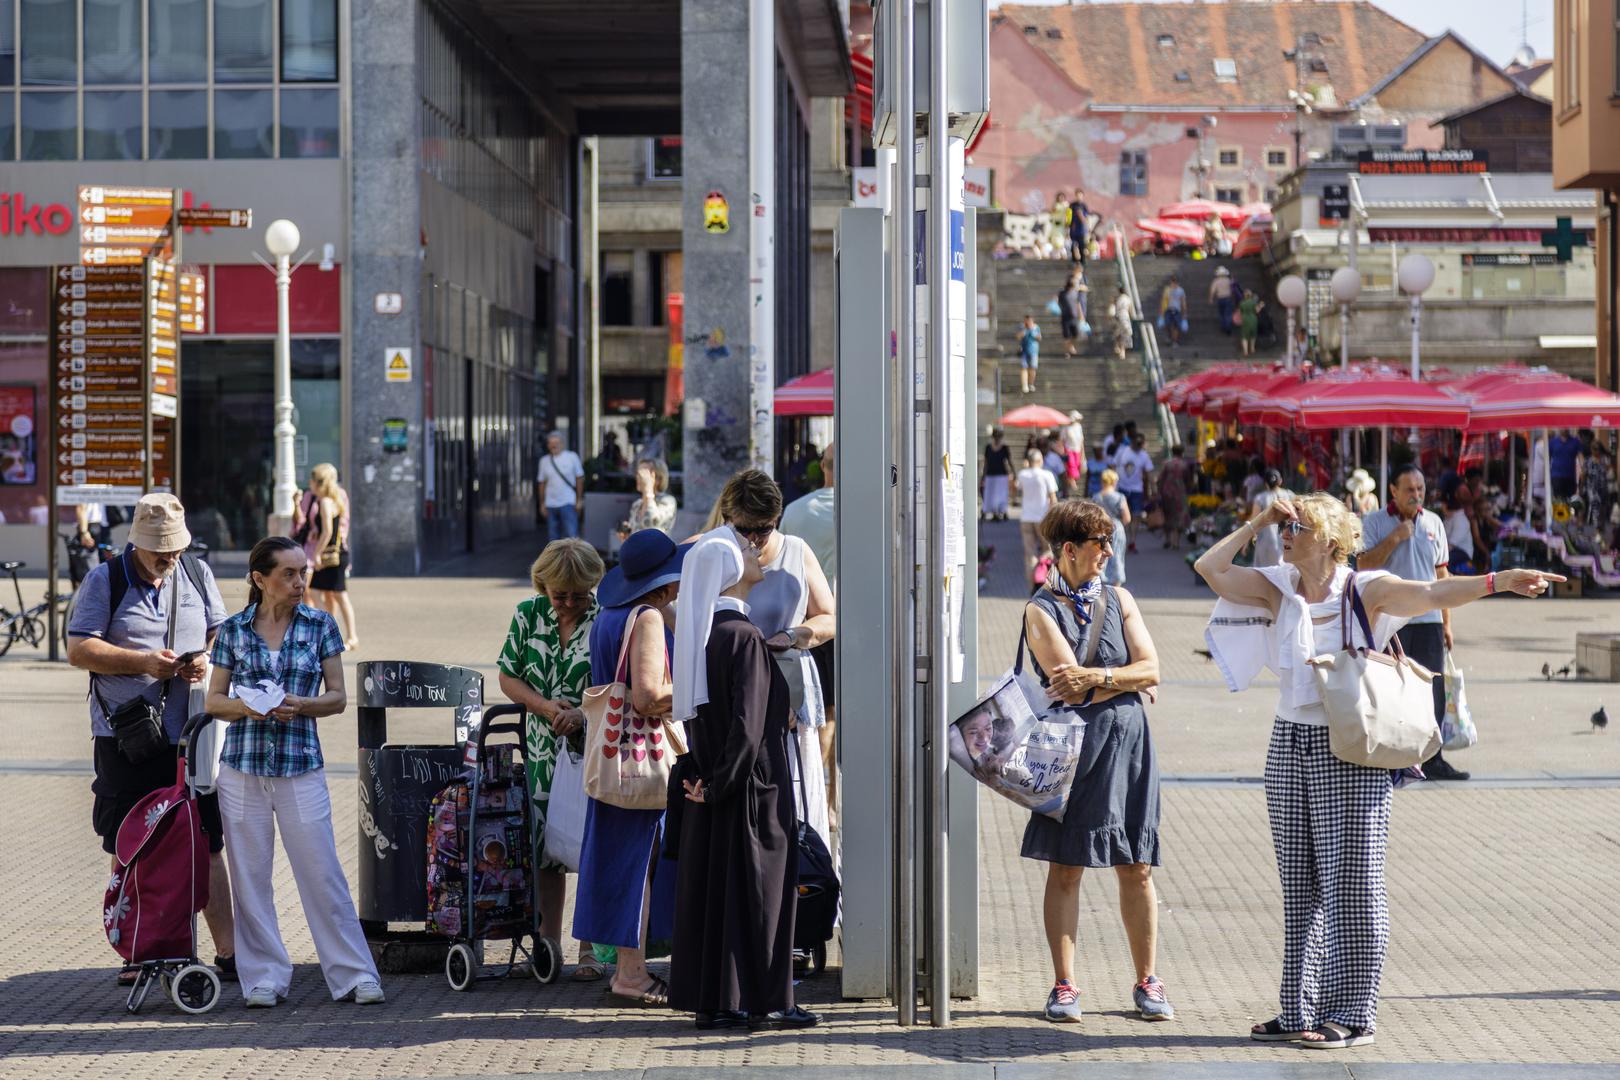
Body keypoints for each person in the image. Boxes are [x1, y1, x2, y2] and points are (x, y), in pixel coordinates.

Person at [1196, 493, 1558, 1049]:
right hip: (1288, 744)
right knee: (1301, 886)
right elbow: (1210, 568)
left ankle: (1352, 1015)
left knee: (1354, 885)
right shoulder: (1278, 585)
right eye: (1286, 525)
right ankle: (1298, 1008)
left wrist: (1499, 579)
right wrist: (1260, 521)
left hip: (1351, 747)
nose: (1288, 534)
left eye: (1300, 527)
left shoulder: (1364, 589)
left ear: (1332, 540)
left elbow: (1436, 592)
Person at [205, 536, 384, 1007]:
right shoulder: (233, 630)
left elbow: (339, 697)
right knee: (250, 877)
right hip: (241, 770)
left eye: (303, 572)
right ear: (259, 579)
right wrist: (247, 707)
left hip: (301, 766)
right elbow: (213, 702)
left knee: (321, 871)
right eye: (289, 573)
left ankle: (354, 974)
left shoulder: (320, 625)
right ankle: (263, 977)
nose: (300, 581)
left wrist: (301, 704)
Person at [67, 493, 236, 986]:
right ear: (135, 541)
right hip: (128, 736)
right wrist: (143, 662)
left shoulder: (197, 574)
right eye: (160, 549)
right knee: (133, 843)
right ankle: (140, 948)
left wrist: (205, 658)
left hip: (192, 735)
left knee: (208, 840)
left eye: (175, 548)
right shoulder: (105, 579)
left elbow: (220, 633)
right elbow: (79, 649)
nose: (169, 557)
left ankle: (228, 953)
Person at [1023, 500, 1170, 1024]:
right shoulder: (1040, 610)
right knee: (1067, 867)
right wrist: (1124, 681)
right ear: (1068, 551)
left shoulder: (1120, 597)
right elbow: (1067, 684)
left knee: (1138, 864)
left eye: (1110, 542)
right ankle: (1064, 985)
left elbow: (1151, 668)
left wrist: (1104, 679)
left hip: (1129, 747)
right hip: (1074, 749)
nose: (1109, 552)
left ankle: (1147, 980)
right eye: (1099, 544)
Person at [669, 526, 818, 1031]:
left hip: (716, 781)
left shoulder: (702, 636)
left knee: (722, 894)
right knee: (763, 894)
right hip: (754, 787)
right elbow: (749, 725)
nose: (756, 553)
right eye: (744, 552)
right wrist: (722, 782)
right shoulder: (745, 637)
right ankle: (770, 1001)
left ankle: (718, 1000)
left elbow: (700, 715)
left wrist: (704, 780)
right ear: (730, 574)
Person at [575, 529, 690, 1007]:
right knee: (636, 864)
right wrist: (695, 694)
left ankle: (629, 968)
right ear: (662, 585)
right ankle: (631, 974)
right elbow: (645, 696)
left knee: (621, 863)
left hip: (612, 756)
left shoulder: (611, 615)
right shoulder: (645, 618)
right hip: (636, 760)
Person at [496, 538, 605, 980]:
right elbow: (507, 674)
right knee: (544, 851)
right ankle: (548, 946)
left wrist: (582, 714)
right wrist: (543, 706)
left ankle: (592, 952)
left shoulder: (605, 621)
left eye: (578, 594)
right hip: (542, 750)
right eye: (559, 594)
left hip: (594, 748)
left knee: (593, 846)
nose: (568, 603)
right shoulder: (528, 615)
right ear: (543, 585)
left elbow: (616, 686)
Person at [720, 470, 836, 848]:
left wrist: (793, 635)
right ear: (727, 519)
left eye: (764, 529)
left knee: (795, 793)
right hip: (733, 690)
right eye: (745, 530)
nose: (754, 540)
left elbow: (830, 617)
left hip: (789, 685)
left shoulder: (796, 550)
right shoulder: (713, 553)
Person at [1357, 464, 1468, 781]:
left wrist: (1447, 623)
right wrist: (1394, 538)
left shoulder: (1433, 522)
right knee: (1394, 692)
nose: (1416, 495)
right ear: (1392, 490)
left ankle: (1433, 760)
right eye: (1409, 489)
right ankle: (1394, 759)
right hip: (1391, 622)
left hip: (1429, 621)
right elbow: (1363, 565)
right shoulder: (1375, 522)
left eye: (1420, 489)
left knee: (1433, 691)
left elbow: (1443, 576)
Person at [780, 444, 840, 810]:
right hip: (846, 622)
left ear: (822, 467)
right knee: (833, 713)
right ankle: (827, 801)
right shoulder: (866, 509)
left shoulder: (796, 510)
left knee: (812, 713)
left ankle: (813, 796)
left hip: (804, 623)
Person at [304, 463, 357, 650]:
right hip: (340, 553)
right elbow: (334, 529)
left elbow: (328, 532)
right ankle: (345, 635)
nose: (309, 485)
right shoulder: (336, 498)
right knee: (333, 595)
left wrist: (316, 555)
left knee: (335, 595)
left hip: (332, 557)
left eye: (311, 481)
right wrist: (315, 532)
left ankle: (346, 636)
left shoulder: (325, 502)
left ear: (318, 483)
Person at [1018, 448, 1060, 585]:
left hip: (1026, 517)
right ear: (1040, 460)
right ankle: (1046, 582)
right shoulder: (1047, 475)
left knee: (1030, 554)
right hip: (1043, 518)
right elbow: (1053, 499)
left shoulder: (1022, 474)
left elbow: (1016, 488)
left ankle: (1032, 585)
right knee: (1048, 550)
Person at [538, 431, 587, 540]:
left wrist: (579, 499)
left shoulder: (572, 457)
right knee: (553, 539)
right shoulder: (544, 461)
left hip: (568, 502)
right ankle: (556, 558)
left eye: (556, 442)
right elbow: (542, 483)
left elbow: (579, 478)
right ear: (548, 445)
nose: (553, 445)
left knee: (572, 536)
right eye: (551, 443)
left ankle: (574, 558)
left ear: (562, 444)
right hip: (551, 504)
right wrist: (542, 503)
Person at [1114, 433, 1154, 553]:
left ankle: (1132, 541)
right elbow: (1113, 466)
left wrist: (1153, 490)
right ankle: (1123, 539)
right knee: (1123, 516)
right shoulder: (1122, 452)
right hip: (1122, 488)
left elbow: (1149, 473)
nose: (1139, 446)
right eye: (1137, 443)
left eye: (1140, 444)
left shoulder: (1144, 455)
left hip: (1137, 490)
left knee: (1136, 516)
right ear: (1131, 442)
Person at [1094, 469, 1130, 586]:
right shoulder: (1119, 497)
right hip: (1116, 528)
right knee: (1117, 555)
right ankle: (1116, 585)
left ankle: (1101, 579)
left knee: (1101, 555)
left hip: (1101, 528)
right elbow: (1127, 518)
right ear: (1114, 481)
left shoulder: (1096, 497)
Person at [627, 458, 679, 536]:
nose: (639, 477)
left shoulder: (668, 501)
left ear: (658, 479)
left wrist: (648, 490)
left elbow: (652, 523)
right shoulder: (637, 504)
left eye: (644, 474)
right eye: (638, 473)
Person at [1157, 444, 1194, 551]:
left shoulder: (1166, 464)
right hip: (1180, 494)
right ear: (1182, 452)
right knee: (1179, 516)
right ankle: (1176, 542)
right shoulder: (1184, 465)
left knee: (1167, 515)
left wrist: (1159, 492)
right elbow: (1188, 481)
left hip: (1167, 493)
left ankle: (1168, 539)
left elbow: (1160, 479)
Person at [1249, 469, 1285, 567]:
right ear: (1280, 481)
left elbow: (1253, 522)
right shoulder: (1289, 495)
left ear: (1265, 483)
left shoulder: (1260, 498)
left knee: (1263, 576)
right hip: (1285, 539)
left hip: (1265, 541)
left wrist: (1245, 542)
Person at [982, 428, 1013, 521]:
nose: (997, 438)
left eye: (999, 436)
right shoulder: (988, 447)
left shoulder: (1004, 448)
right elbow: (986, 462)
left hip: (1001, 474)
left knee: (1002, 494)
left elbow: (1009, 461)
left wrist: (1013, 472)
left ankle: (1002, 510)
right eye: (996, 436)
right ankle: (992, 511)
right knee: (990, 494)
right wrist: (983, 475)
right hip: (990, 474)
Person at [1058, 270, 1086, 358]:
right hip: (1065, 317)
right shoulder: (1062, 293)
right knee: (1066, 336)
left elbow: (1078, 304)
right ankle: (1067, 351)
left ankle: (1070, 347)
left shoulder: (1075, 293)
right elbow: (1059, 302)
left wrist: (1081, 315)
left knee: (1075, 334)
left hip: (1074, 317)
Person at [1549, 428, 1582, 500]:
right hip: (1556, 476)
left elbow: (1581, 458)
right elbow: (1548, 458)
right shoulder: (1553, 442)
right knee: (1558, 500)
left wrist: (1583, 471)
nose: (1564, 428)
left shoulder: (1575, 442)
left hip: (1570, 477)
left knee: (1570, 501)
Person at [1159, 275, 1188, 347]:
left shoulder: (1181, 290)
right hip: (1168, 310)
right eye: (1172, 282)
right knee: (1167, 324)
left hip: (1177, 310)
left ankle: (1175, 341)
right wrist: (1161, 311)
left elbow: (1183, 301)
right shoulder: (1167, 290)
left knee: (1176, 326)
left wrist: (1184, 312)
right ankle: (1169, 337)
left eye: (1175, 282)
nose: (1173, 283)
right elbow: (1163, 301)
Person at [1018, 314, 1041, 394]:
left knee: (1032, 368)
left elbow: (1039, 338)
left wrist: (1032, 332)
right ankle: (1024, 385)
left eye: (1029, 321)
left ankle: (1031, 384)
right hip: (1024, 351)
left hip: (1034, 351)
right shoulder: (1022, 327)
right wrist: (1023, 332)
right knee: (1023, 368)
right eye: (1026, 321)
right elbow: (1018, 337)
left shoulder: (1036, 327)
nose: (1027, 322)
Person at [1209, 266, 1235, 337]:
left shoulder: (1216, 281)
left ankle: (1224, 326)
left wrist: (1211, 298)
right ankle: (1228, 327)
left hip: (1220, 298)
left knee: (1222, 313)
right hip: (1228, 298)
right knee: (1228, 313)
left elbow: (1212, 290)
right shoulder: (1228, 280)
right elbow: (1233, 289)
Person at [1110, 288, 1133, 361]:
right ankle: (1122, 352)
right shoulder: (1127, 299)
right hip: (1125, 317)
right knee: (1125, 334)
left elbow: (1112, 308)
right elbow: (1130, 310)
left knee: (1118, 333)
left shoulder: (1117, 298)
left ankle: (1117, 347)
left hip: (1117, 317)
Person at [1067, 190, 1090, 264]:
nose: (1079, 197)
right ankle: (1074, 261)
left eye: (1080, 195)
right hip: (1073, 229)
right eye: (1077, 195)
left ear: (1082, 196)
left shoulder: (1084, 206)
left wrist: (1080, 215)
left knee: (1081, 245)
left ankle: (1082, 261)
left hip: (1081, 230)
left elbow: (1085, 219)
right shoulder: (1072, 205)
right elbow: (1068, 216)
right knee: (1073, 245)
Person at [1238, 290, 1263, 357]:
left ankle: (1245, 351)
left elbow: (1240, 312)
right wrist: (1260, 306)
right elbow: (1257, 311)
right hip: (1253, 319)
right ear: (1251, 295)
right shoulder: (1254, 302)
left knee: (1244, 336)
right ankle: (1252, 348)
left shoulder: (1242, 303)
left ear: (1244, 296)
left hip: (1245, 319)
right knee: (1253, 334)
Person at [1048, 191, 1071, 258]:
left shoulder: (1066, 205)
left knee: (1060, 242)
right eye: (1059, 197)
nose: (1061, 198)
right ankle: (1056, 256)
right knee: (1055, 242)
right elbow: (1052, 211)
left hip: (1062, 226)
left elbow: (1069, 214)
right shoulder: (1056, 205)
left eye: (1062, 197)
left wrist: (1068, 223)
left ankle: (1063, 255)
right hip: (1055, 226)